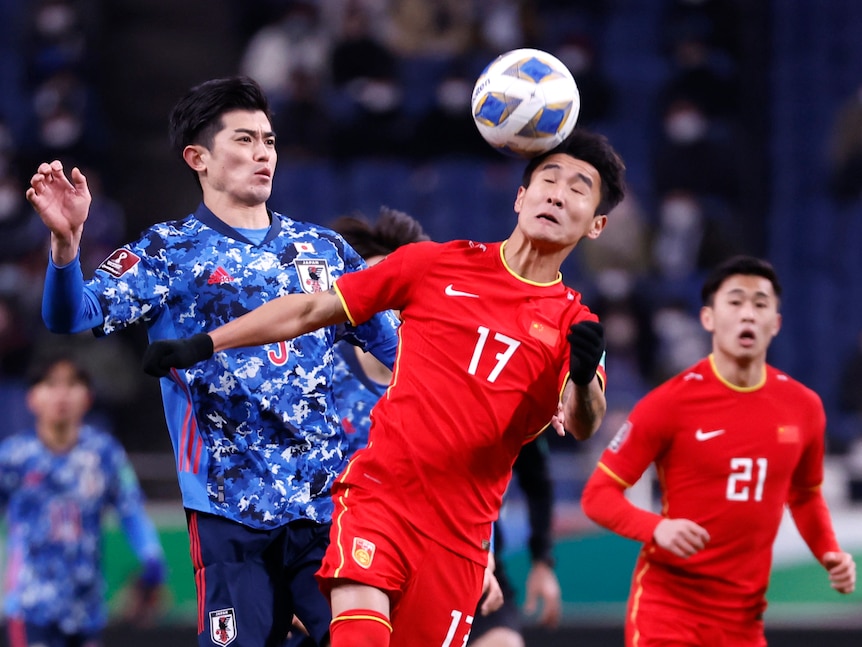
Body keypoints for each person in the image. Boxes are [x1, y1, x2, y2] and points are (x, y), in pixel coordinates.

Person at [142, 127, 627, 646]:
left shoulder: (574, 324)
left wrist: (580, 375)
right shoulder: (434, 265)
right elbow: (311, 308)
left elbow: (580, 421)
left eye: (578, 188)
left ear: (596, 223)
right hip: (380, 500)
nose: (556, 193)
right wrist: (206, 343)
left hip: (459, 542)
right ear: (520, 195)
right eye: (547, 178)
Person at [25, 76, 400, 647]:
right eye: (245, 140)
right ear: (197, 157)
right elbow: (75, 316)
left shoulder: (323, 251)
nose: (262, 154)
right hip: (229, 514)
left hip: (328, 511)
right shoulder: (167, 250)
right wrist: (66, 245)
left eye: (269, 141)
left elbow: (400, 349)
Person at [580, 255, 857, 647]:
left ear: (775, 323)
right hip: (669, 613)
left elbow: (806, 494)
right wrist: (657, 527)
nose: (748, 314)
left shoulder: (804, 407)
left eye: (760, 304)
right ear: (708, 318)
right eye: (735, 302)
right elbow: (597, 496)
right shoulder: (668, 403)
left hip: (743, 622)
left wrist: (828, 552)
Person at [0, 348, 166, 647]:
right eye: (50, 384)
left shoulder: (104, 454)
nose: (62, 394)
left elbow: (132, 513)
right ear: (32, 398)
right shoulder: (13, 457)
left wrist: (152, 560)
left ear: (88, 397)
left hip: (87, 610)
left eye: (73, 383)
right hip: (30, 608)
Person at [468, 437, 562, 647]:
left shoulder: (517, 411)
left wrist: (541, 560)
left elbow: (538, 481)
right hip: (415, 559)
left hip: (481, 565)